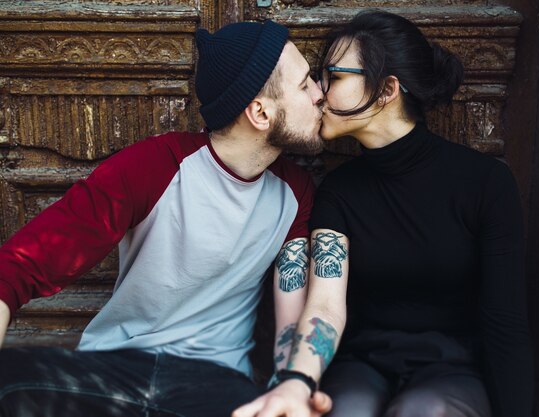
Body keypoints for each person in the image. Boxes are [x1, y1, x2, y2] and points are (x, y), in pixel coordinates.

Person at [0, 20, 332, 417]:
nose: (320, 93)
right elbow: (17, 268)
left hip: (214, 387)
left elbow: (290, 325)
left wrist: (291, 389)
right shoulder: (153, 167)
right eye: (305, 83)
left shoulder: (295, 193)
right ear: (260, 112)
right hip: (113, 374)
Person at [235, 10, 533, 417]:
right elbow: (324, 304)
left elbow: (506, 325)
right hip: (361, 366)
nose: (319, 94)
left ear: (387, 89)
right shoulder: (339, 191)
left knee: (426, 411)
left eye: (334, 77)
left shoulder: (485, 184)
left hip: (453, 372)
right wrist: (298, 381)